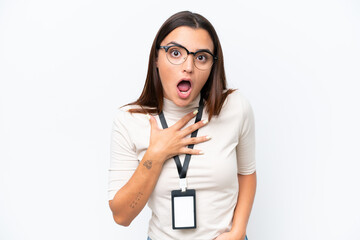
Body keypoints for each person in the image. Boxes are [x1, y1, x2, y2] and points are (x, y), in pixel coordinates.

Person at [108, 11, 257, 240]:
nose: (188, 66)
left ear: (212, 66)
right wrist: (156, 154)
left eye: (201, 57)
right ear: (156, 58)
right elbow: (121, 216)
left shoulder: (235, 107)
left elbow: (246, 173)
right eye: (175, 53)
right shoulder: (130, 120)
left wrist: (238, 231)